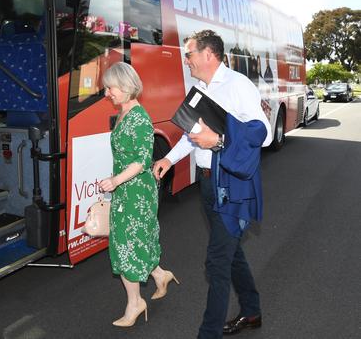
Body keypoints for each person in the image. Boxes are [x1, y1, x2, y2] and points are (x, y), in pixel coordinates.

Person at [152, 30, 272, 338]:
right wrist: (169, 159)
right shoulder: (197, 88)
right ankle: (252, 310)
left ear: (208, 54)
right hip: (207, 185)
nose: (186, 59)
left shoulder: (238, 85)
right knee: (231, 254)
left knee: (217, 262)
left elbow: (265, 133)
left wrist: (219, 138)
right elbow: (192, 137)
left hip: (231, 187)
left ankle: (209, 333)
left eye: (189, 53)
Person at [98, 62, 179, 328]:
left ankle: (135, 304)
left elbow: (143, 160)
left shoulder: (139, 118)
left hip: (136, 192)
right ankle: (160, 275)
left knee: (126, 245)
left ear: (125, 86)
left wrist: (115, 180)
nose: (106, 92)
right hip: (125, 190)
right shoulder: (123, 112)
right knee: (132, 241)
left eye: (110, 87)